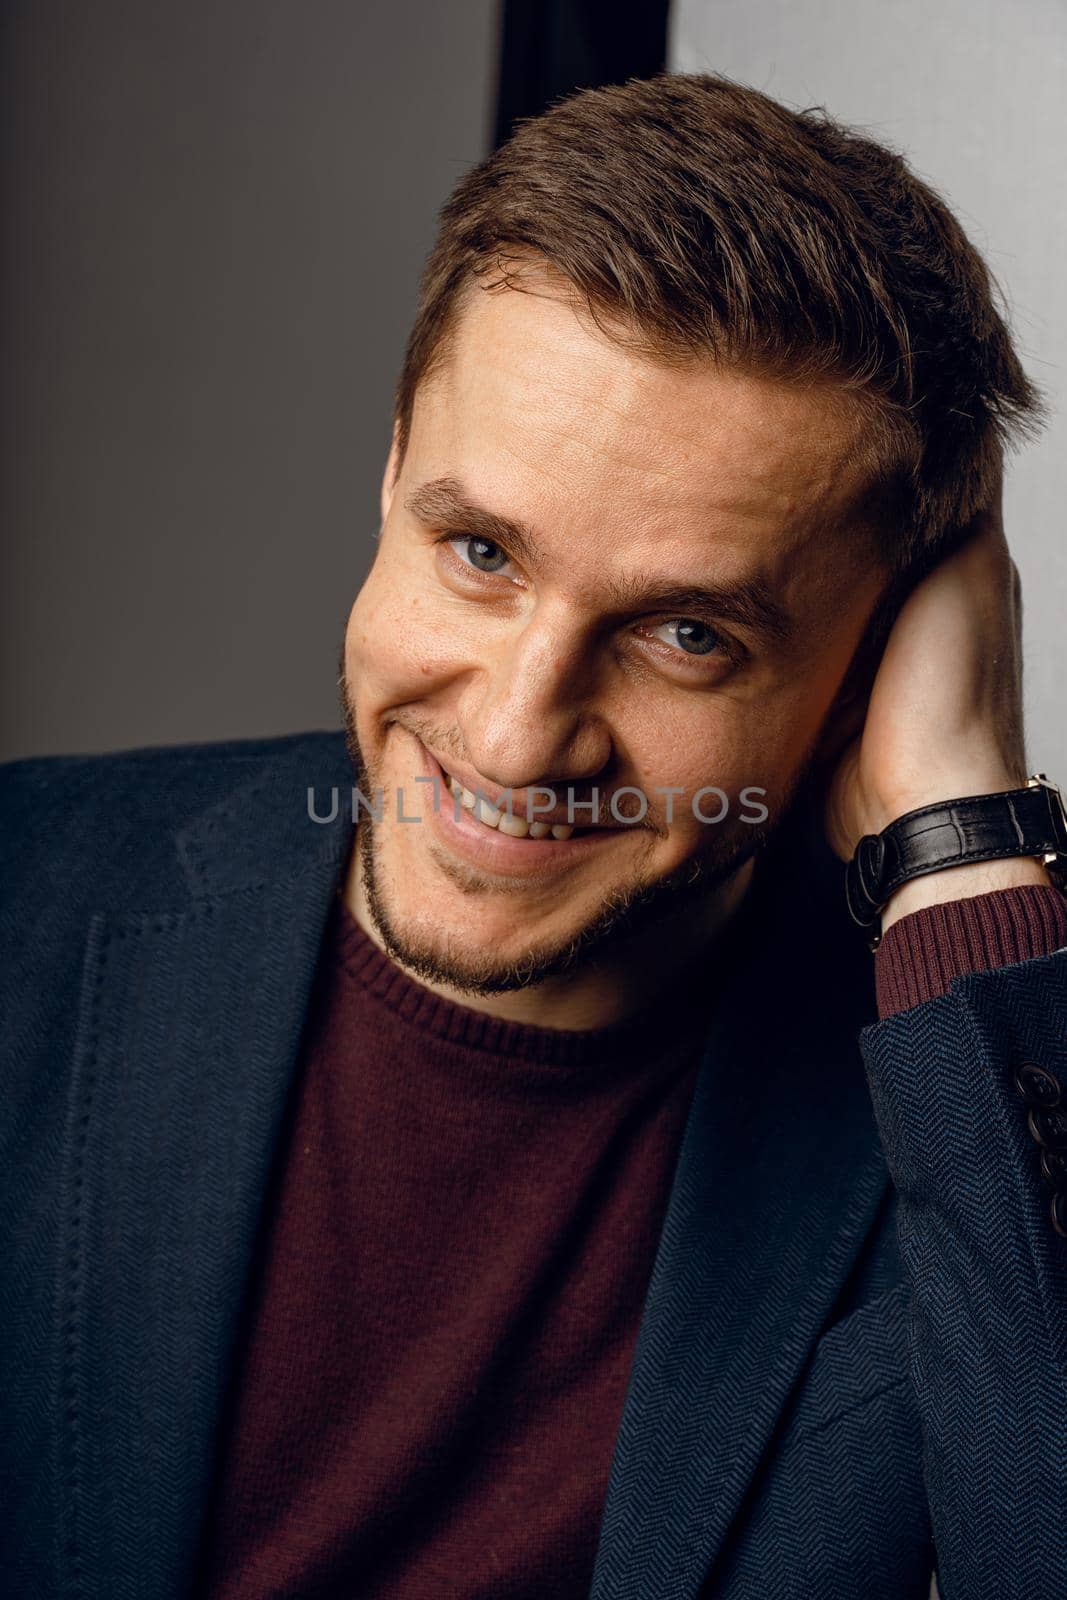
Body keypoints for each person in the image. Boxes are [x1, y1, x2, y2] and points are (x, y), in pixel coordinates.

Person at [3, 72, 1066, 1600]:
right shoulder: (26, 896)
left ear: (872, 668)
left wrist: (961, 835)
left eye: (689, 633)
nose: (513, 735)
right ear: (390, 480)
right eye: (480, 550)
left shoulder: (967, 1094)